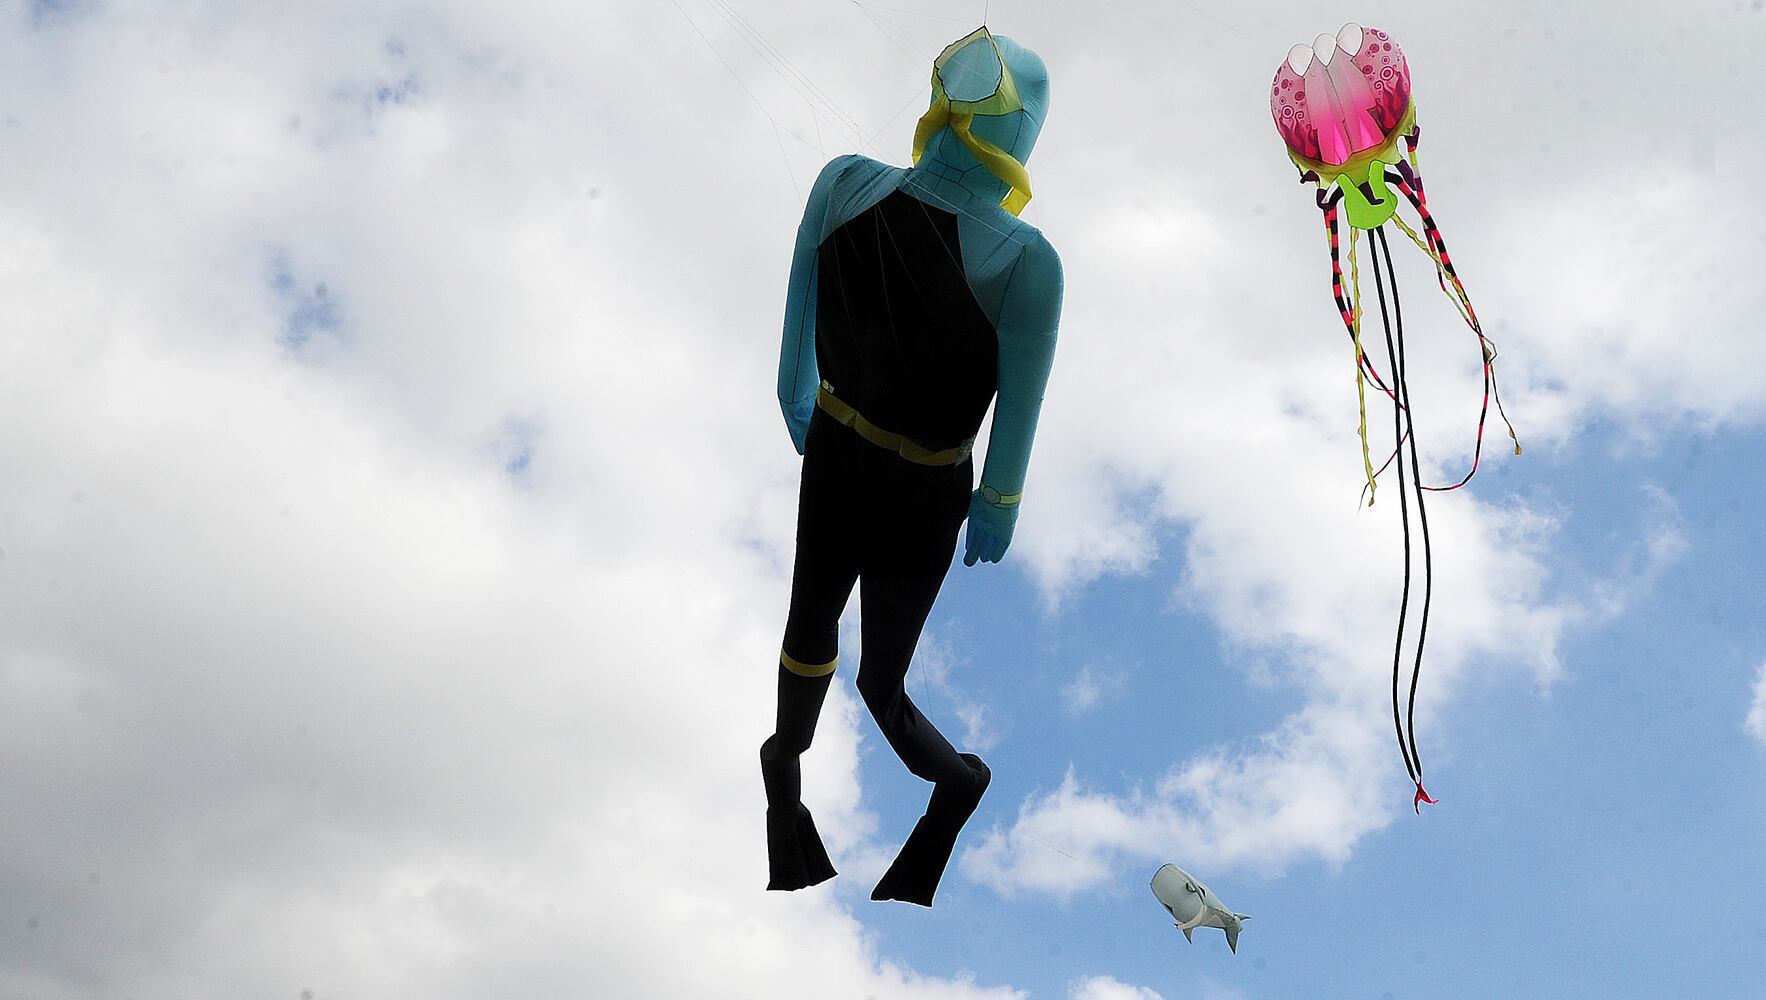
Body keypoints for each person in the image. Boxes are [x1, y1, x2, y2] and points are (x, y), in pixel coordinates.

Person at [760, 28, 1064, 907]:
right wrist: (999, 501)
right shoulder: (1020, 258)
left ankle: (941, 784)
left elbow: (797, 330)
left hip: (878, 467)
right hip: (891, 469)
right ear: (1025, 134)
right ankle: (787, 778)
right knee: (830, 646)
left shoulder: (852, 186)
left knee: (858, 667)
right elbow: (1020, 406)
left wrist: (797, 400)